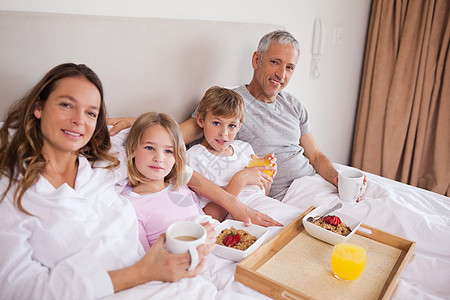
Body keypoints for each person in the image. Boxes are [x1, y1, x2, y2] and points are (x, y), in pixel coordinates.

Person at [0, 63, 218, 299]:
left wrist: (234, 204)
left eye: (91, 113)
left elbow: (163, 141)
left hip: (158, 277)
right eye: (66, 105)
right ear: (38, 107)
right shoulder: (12, 190)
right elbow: (18, 289)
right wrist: (144, 272)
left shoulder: (105, 162)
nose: (79, 120)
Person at [108, 30, 338, 201]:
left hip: (313, 181)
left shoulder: (293, 105)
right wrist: (136, 123)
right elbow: (175, 135)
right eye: (275, 62)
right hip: (286, 195)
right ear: (256, 60)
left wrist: (337, 179)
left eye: (289, 67)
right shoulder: (230, 106)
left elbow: (316, 156)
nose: (281, 74)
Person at [119, 111, 213, 250]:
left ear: (176, 156)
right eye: (150, 148)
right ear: (133, 148)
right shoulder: (129, 204)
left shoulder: (180, 187)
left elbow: (203, 219)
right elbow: (145, 261)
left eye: (168, 151)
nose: (159, 158)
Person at [186, 86, 277, 221]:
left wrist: (267, 174)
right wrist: (240, 180)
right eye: (217, 123)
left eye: (232, 126)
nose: (224, 133)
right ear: (201, 120)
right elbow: (208, 217)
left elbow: (261, 195)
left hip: (268, 207)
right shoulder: (193, 158)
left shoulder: (245, 149)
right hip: (241, 222)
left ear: (239, 126)